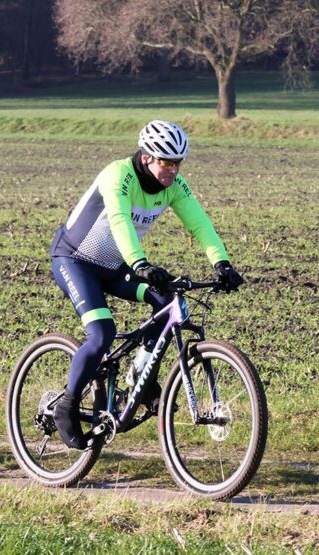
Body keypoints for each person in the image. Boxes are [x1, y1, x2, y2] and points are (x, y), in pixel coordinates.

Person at [49, 120, 244, 449]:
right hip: (75, 260)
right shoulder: (118, 174)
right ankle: (66, 405)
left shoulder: (173, 186)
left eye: (178, 163)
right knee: (102, 334)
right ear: (147, 157)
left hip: (114, 266)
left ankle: (141, 374)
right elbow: (120, 220)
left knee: (167, 300)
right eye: (167, 162)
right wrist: (140, 264)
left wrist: (221, 263)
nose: (173, 170)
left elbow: (200, 224)